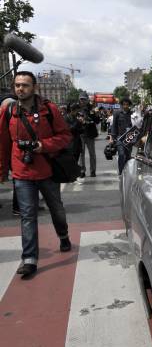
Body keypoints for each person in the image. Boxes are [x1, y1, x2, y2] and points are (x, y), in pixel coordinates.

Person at [0, 71, 72, 278]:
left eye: (25, 85)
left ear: (35, 88)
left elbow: (65, 136)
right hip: (22, 172)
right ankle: (29, 259)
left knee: (56, 209)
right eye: (17, 85)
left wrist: (43, 146)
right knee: (27, 217)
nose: (20, 89)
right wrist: (3, 170)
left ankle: (63, 235)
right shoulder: (8, 111)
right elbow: (3, 142)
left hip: (48, 170)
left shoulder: (49, 109)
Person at [76, 95, 100, 177]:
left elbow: (97, 121)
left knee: (92, 153)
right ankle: (82, 171)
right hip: (81, 133)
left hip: (90, 133)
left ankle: (93, 171)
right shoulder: (77, 109)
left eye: (84, 99)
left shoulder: (92, 108)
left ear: (87, 100)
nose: (82, 101)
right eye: (81, 99)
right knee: (81, 154)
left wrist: (96, 114)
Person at [111, 98, 134, 174]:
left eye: (127, 104)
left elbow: (135, 125)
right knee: (121, 154)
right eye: (124, 104)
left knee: (128, 156)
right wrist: (113, 137)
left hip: (129, 138)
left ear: (129, 105)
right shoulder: (117, 113)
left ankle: (126, 172)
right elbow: (114, 126)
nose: (125, 106)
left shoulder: (132, 114)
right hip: (119, 137)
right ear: (121, 105)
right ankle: (121, 171)